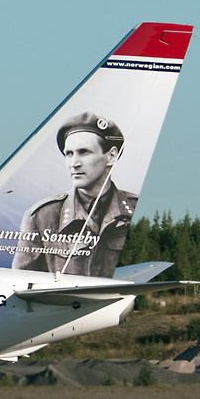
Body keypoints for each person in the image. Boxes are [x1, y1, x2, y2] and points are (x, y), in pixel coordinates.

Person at [12, 113, 136, 277]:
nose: (74, 164)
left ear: (111, 156)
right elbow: (20, 281)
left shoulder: (134, 210)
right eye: (69, 154)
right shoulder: (41, 216)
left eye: (84, 152)